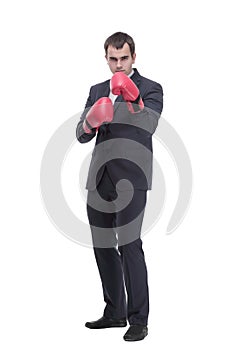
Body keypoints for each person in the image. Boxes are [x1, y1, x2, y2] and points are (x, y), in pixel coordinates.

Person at [76, 32, 163, 341]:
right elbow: (80, 135)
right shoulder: (96, 90)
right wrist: (90, 122)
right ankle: (114, 312)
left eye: (124, 58)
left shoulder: (151, 88)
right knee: (103, 247)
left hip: (132, 179)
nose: (118, 66)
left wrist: (133, 97)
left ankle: (139, 320)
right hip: (99, 179)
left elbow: (150, 124)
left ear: (134, 57)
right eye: (113, 59)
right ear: (106, 59)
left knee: (129, 246)